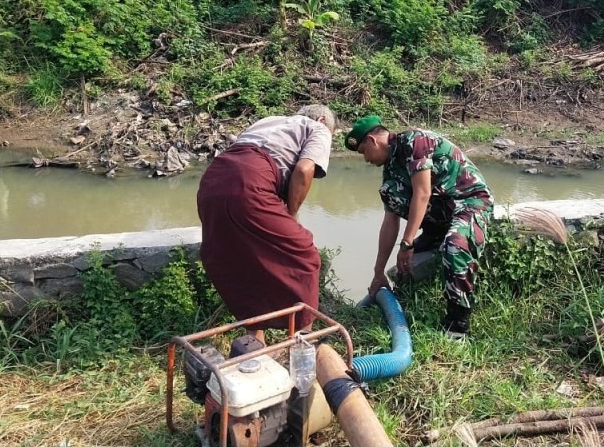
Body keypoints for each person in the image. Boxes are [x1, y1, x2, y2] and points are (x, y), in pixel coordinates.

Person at [197, 104, 336, 344]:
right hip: (250, 182)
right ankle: (302, 340)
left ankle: (254, 340)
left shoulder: (269, 120)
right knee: (304, 255)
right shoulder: (317, 127)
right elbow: (304, 170)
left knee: (244, 257)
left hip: (213, 181)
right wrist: (291, 215)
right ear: (323, 119)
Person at [345, 115, 494, 339]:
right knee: (391, 192)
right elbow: (389, 221)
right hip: (443, 211)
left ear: (372, 140)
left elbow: (422, 193)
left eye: (363, 152)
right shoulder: (392, 168)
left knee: (454, 246)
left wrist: (407, 243)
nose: (365, 159)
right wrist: (378, 272)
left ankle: (458, 323)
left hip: (470, 201)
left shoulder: (415, 141)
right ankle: (436, 233)